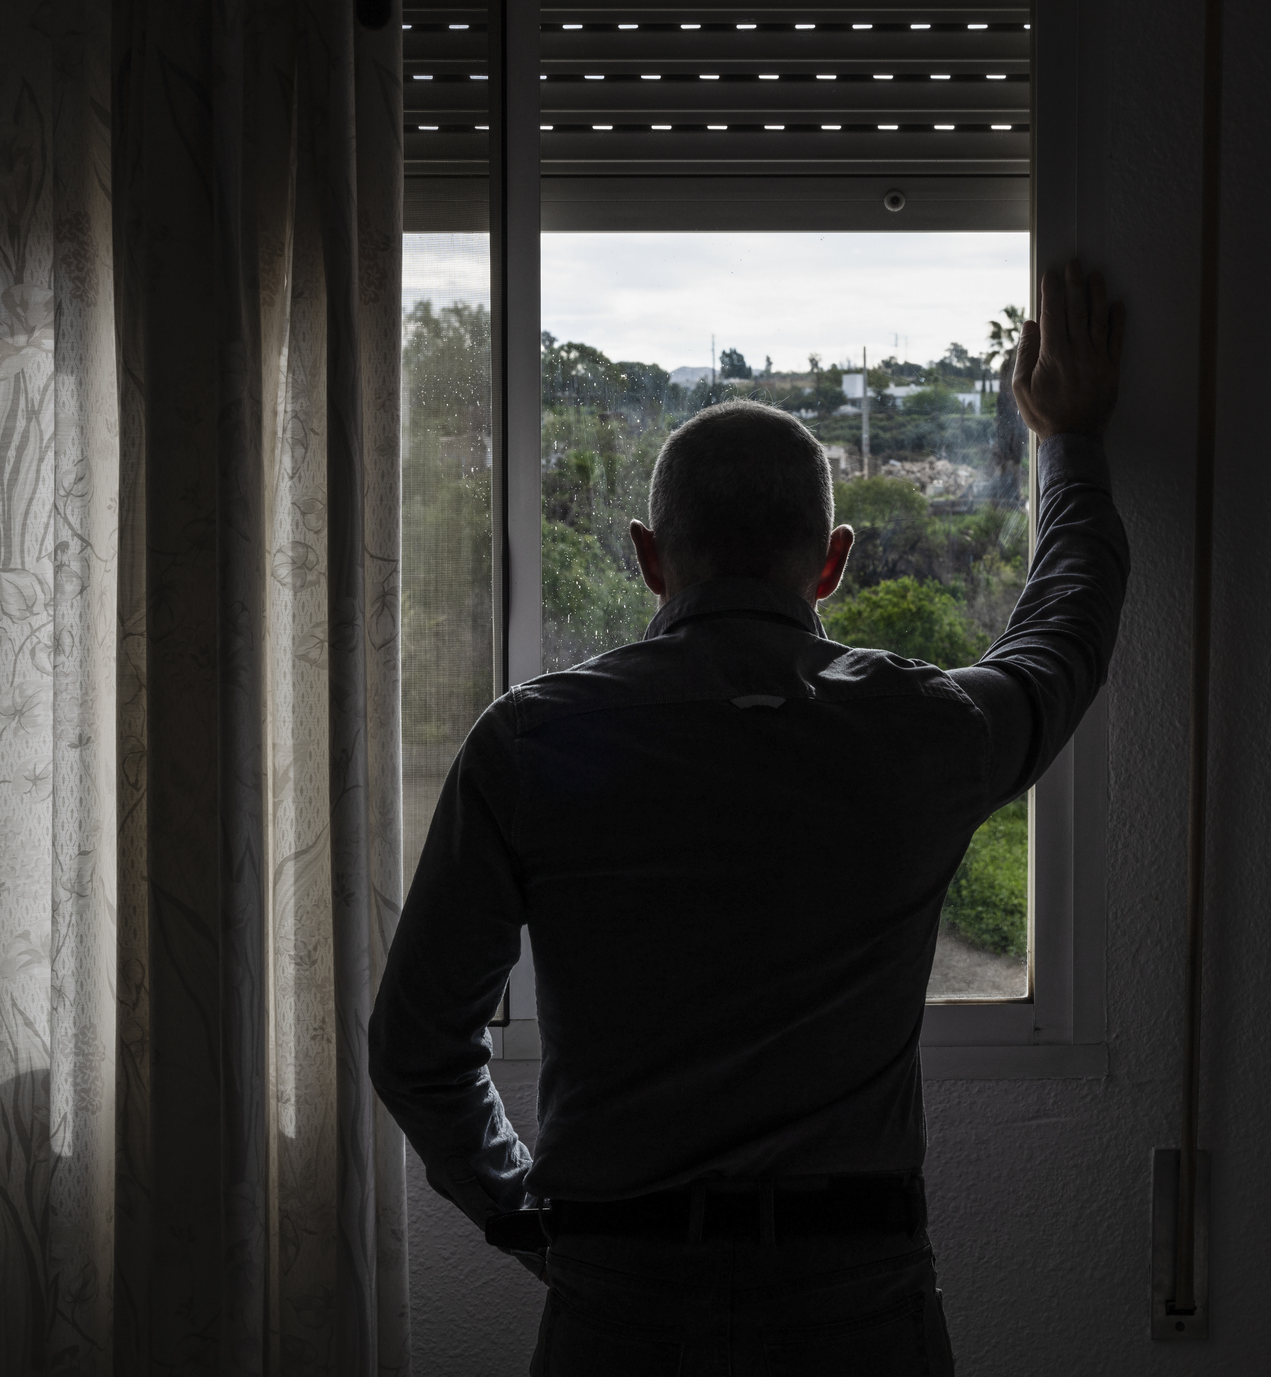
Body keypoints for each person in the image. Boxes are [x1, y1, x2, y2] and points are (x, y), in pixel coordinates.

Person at [370, 261, 1129, 1374]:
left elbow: (415, 1049)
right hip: (856, 1304)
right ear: (832, 563)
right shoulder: (922, 730)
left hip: (618, 1300)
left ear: (646, 557)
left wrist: (525, 1215)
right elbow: (1066, 627)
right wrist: (1068, 440)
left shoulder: (530, 742)